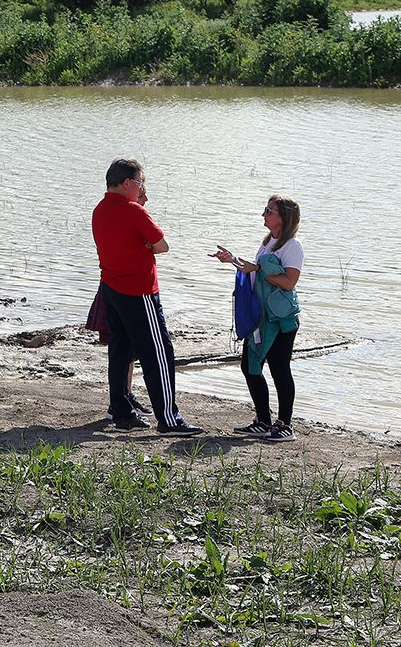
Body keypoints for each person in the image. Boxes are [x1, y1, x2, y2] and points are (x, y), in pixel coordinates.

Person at [91, 158, 202, 436]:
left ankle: (122, 412)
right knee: (160, 354)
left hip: (112, 289)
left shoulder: (100, 209)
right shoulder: (133, 211)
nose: (143, 189)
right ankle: (169, 419)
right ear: (127, 183)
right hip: (138, 292)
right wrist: (143, 237)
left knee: (120, 352)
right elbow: (162, 246)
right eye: (141, 183)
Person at [212, 195, 303, 443]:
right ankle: (263, 421)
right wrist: (233, 260)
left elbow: (289, 282)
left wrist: (259, 269)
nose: (263, 214)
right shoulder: (269, 242)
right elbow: (255, 271)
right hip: (261, 317)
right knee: (250, 367)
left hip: (282, 320)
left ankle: (285, 425)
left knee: (279, 369)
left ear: (282, 217)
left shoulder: (292, 247)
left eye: (268, 210)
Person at [86, 183, 150, 419]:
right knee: (121, 346)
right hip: (119, 289)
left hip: (117, 287)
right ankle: (120, 400)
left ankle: (126, 395)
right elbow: (157, 246)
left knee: (127, 349)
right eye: (142, 194)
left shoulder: (130, 214)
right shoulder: (128, 213)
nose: (145, 199)